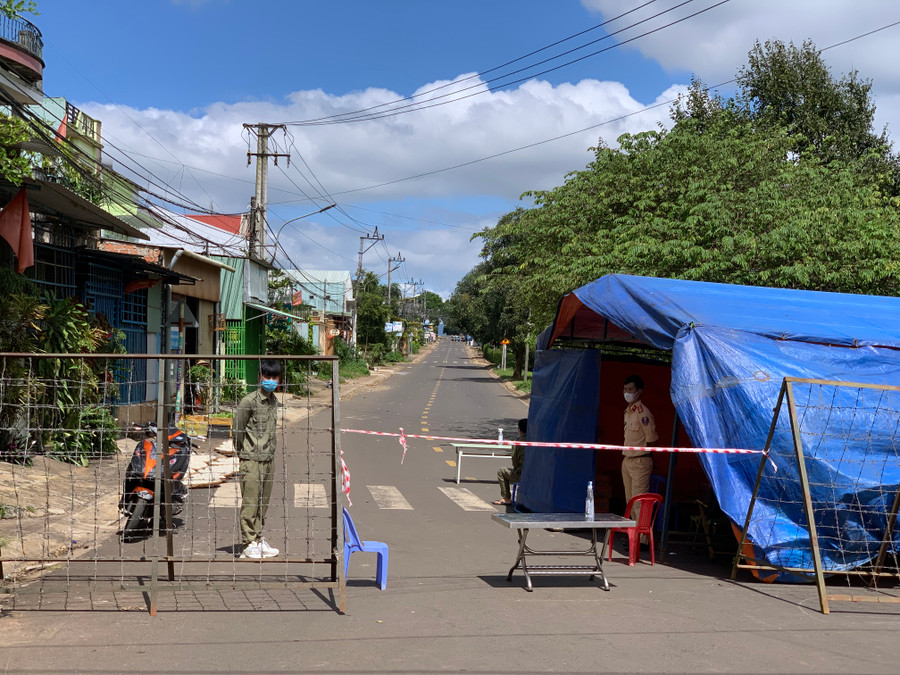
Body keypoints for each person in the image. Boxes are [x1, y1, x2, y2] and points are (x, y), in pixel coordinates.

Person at [234, 359, 282, 559]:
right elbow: (237, 430)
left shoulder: (274, 401)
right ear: (260, 377)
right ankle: (248, 543)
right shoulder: (249, 401)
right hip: (251, 458)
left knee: (263, 502)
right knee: (250, 502)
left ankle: (258, 538)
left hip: (268, 458)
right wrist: (244, 453)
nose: (270, 381)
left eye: (274, 377)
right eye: (267, 376)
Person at [621, 374, 658, 541]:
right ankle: (632, 535)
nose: (627, 392)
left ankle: (642, 539)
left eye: (630, 389)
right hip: (627, 460)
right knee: (630, 501)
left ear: (639, 391)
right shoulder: (628, 412)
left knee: (639, 502)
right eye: (625, 389)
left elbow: (651, 438)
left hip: (640, 460)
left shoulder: (643, 412)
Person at [493, 418, 528, 506]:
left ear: (519, 430)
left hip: (522, 474)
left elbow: (515, 461)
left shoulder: (518, 442)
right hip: (536, 474)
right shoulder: (536, 440)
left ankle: (506, 498)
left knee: (501, 471)